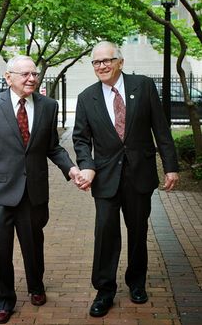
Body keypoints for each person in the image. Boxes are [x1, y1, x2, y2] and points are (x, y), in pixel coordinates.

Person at [72, 41, 179, 317]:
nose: (102, 66)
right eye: (96, 62)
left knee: (138, 232)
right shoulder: (86, 98)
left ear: (120, 61)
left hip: (139, 175)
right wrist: (87, 165)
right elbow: (81, 140)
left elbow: (161, 129)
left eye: (107, 60)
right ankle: (104, 290)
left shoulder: (142, 87)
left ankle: (136, 283)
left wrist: (170, 166)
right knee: (105, 234)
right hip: (105, 178)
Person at [0, 55, 80, 324]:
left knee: (33, 245)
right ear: (9, 78)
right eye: (25, 74)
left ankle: (36, 286)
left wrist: (71, 169)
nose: (32, 78)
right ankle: (3, 301)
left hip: (33, 192)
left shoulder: (48, 106)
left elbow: (52, 146)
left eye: (35, 74)